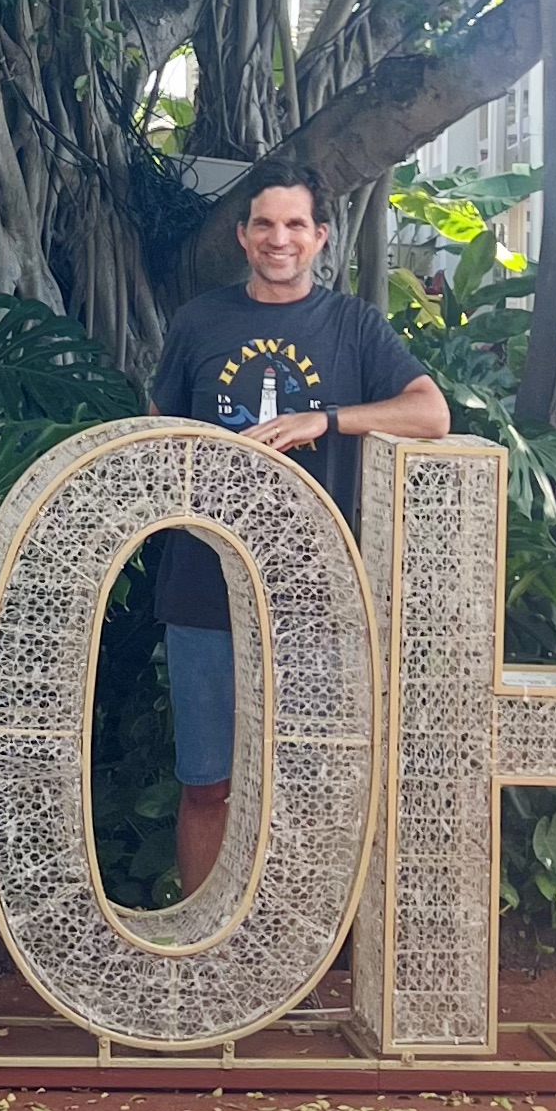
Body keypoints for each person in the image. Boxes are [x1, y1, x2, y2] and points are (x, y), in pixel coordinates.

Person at [152, 162, 451, 895]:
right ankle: (202, 952)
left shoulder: (352, 325)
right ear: (242, 235)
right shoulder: (199, 321)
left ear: (320, 237)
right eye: (263, 224)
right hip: (202, 592)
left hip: (310, 598)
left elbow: (430, 413)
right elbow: (159, 433)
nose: (277, 239)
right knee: (206, 785)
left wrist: (327, 419)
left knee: (303, 784)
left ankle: (291, 946)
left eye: (294, 225)